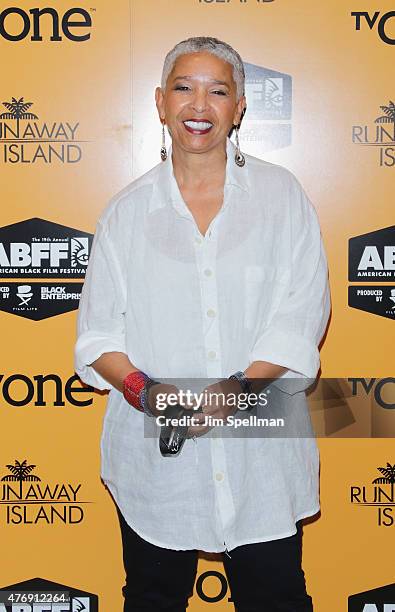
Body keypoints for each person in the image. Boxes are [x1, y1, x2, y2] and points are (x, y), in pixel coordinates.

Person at [74, 36, 331, 612]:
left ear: (239, 107)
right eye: (185, 88)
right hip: (155, 457)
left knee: (277, 597)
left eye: (218, 91)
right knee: (152, 598)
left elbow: (301, 312)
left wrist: (237, 390)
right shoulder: (125, 212)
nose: (199, 105)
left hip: (260, 442)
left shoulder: (281, 197)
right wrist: (148, 394)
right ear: (160, 103)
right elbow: (97, 336)